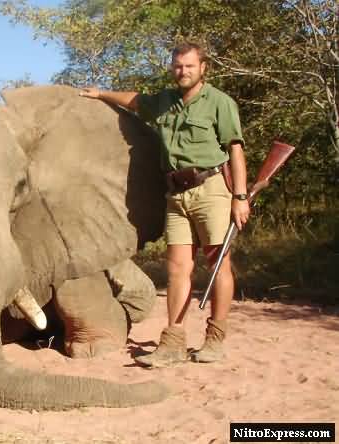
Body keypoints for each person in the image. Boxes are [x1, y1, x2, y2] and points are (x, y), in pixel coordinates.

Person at [80, 41, 250, 366]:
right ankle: (172, 341)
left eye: (189, 66)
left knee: (218, 265)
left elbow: (235, 150)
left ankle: (215, 338)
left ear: (203, 68)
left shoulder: (219, 103)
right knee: (176, 270)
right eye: (177, 66)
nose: (182, 71)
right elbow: (134, 101)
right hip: (175, 193)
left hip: (211, 189)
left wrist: (240, 197)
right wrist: (100, 94)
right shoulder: (165, 102)